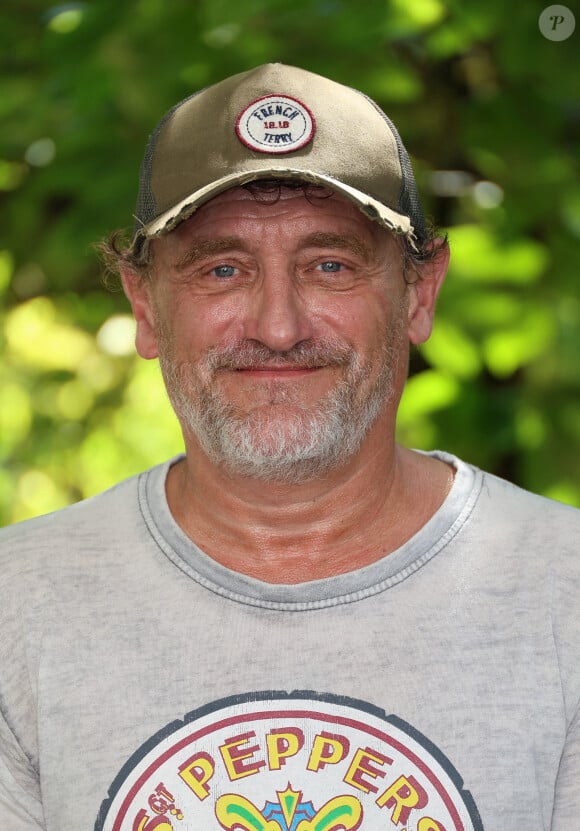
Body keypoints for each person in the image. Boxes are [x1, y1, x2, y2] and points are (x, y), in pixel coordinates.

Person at [0, 63, 578, 831]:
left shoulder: (563, 595)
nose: (278, 327)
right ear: (145, 304)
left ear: (419, 293)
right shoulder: (18, 607)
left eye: (329, 265)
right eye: (223, 268)